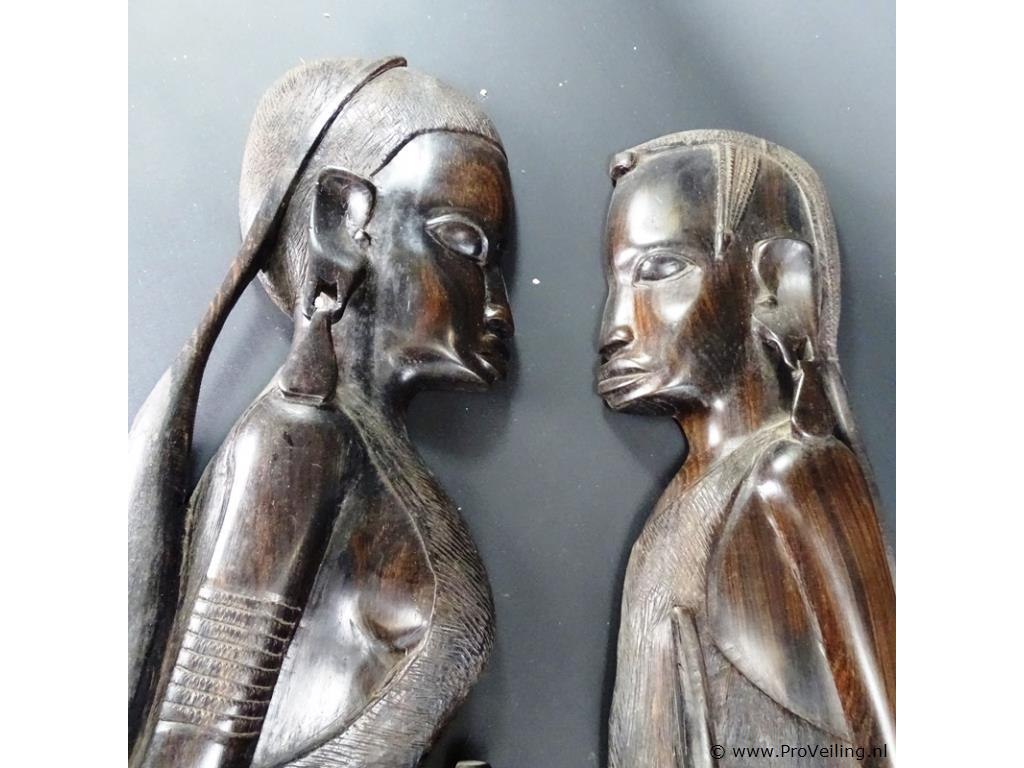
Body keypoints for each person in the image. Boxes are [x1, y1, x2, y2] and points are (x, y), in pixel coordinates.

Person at [131, 59, 514, 768]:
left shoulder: (364, 449)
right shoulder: (298, 444)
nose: (496, 306)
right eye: (464, 243)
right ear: (343, 225)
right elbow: (189, 751)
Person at [598, 130, 895, 767]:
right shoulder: (694, 497)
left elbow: (887, 731)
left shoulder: (797, 474)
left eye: (660, 271)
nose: (614, 328)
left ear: (776, 282)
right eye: (615, 284)